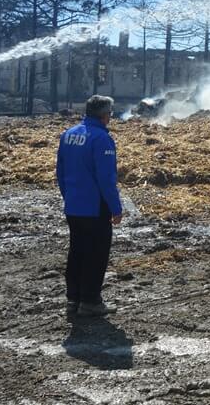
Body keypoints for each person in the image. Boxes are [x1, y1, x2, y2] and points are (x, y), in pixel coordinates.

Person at [57, 95, 123, 318]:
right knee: (96, 254)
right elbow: (106, 178)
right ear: (105, 115)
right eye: (110, 113)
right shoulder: (101, 139)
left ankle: (73, 299)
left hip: (74, 205)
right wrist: (115, 207)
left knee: (76, 252)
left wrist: (69, 197)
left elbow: (61, 172)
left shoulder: (68, 135)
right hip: (94, 207)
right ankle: (90, 301)